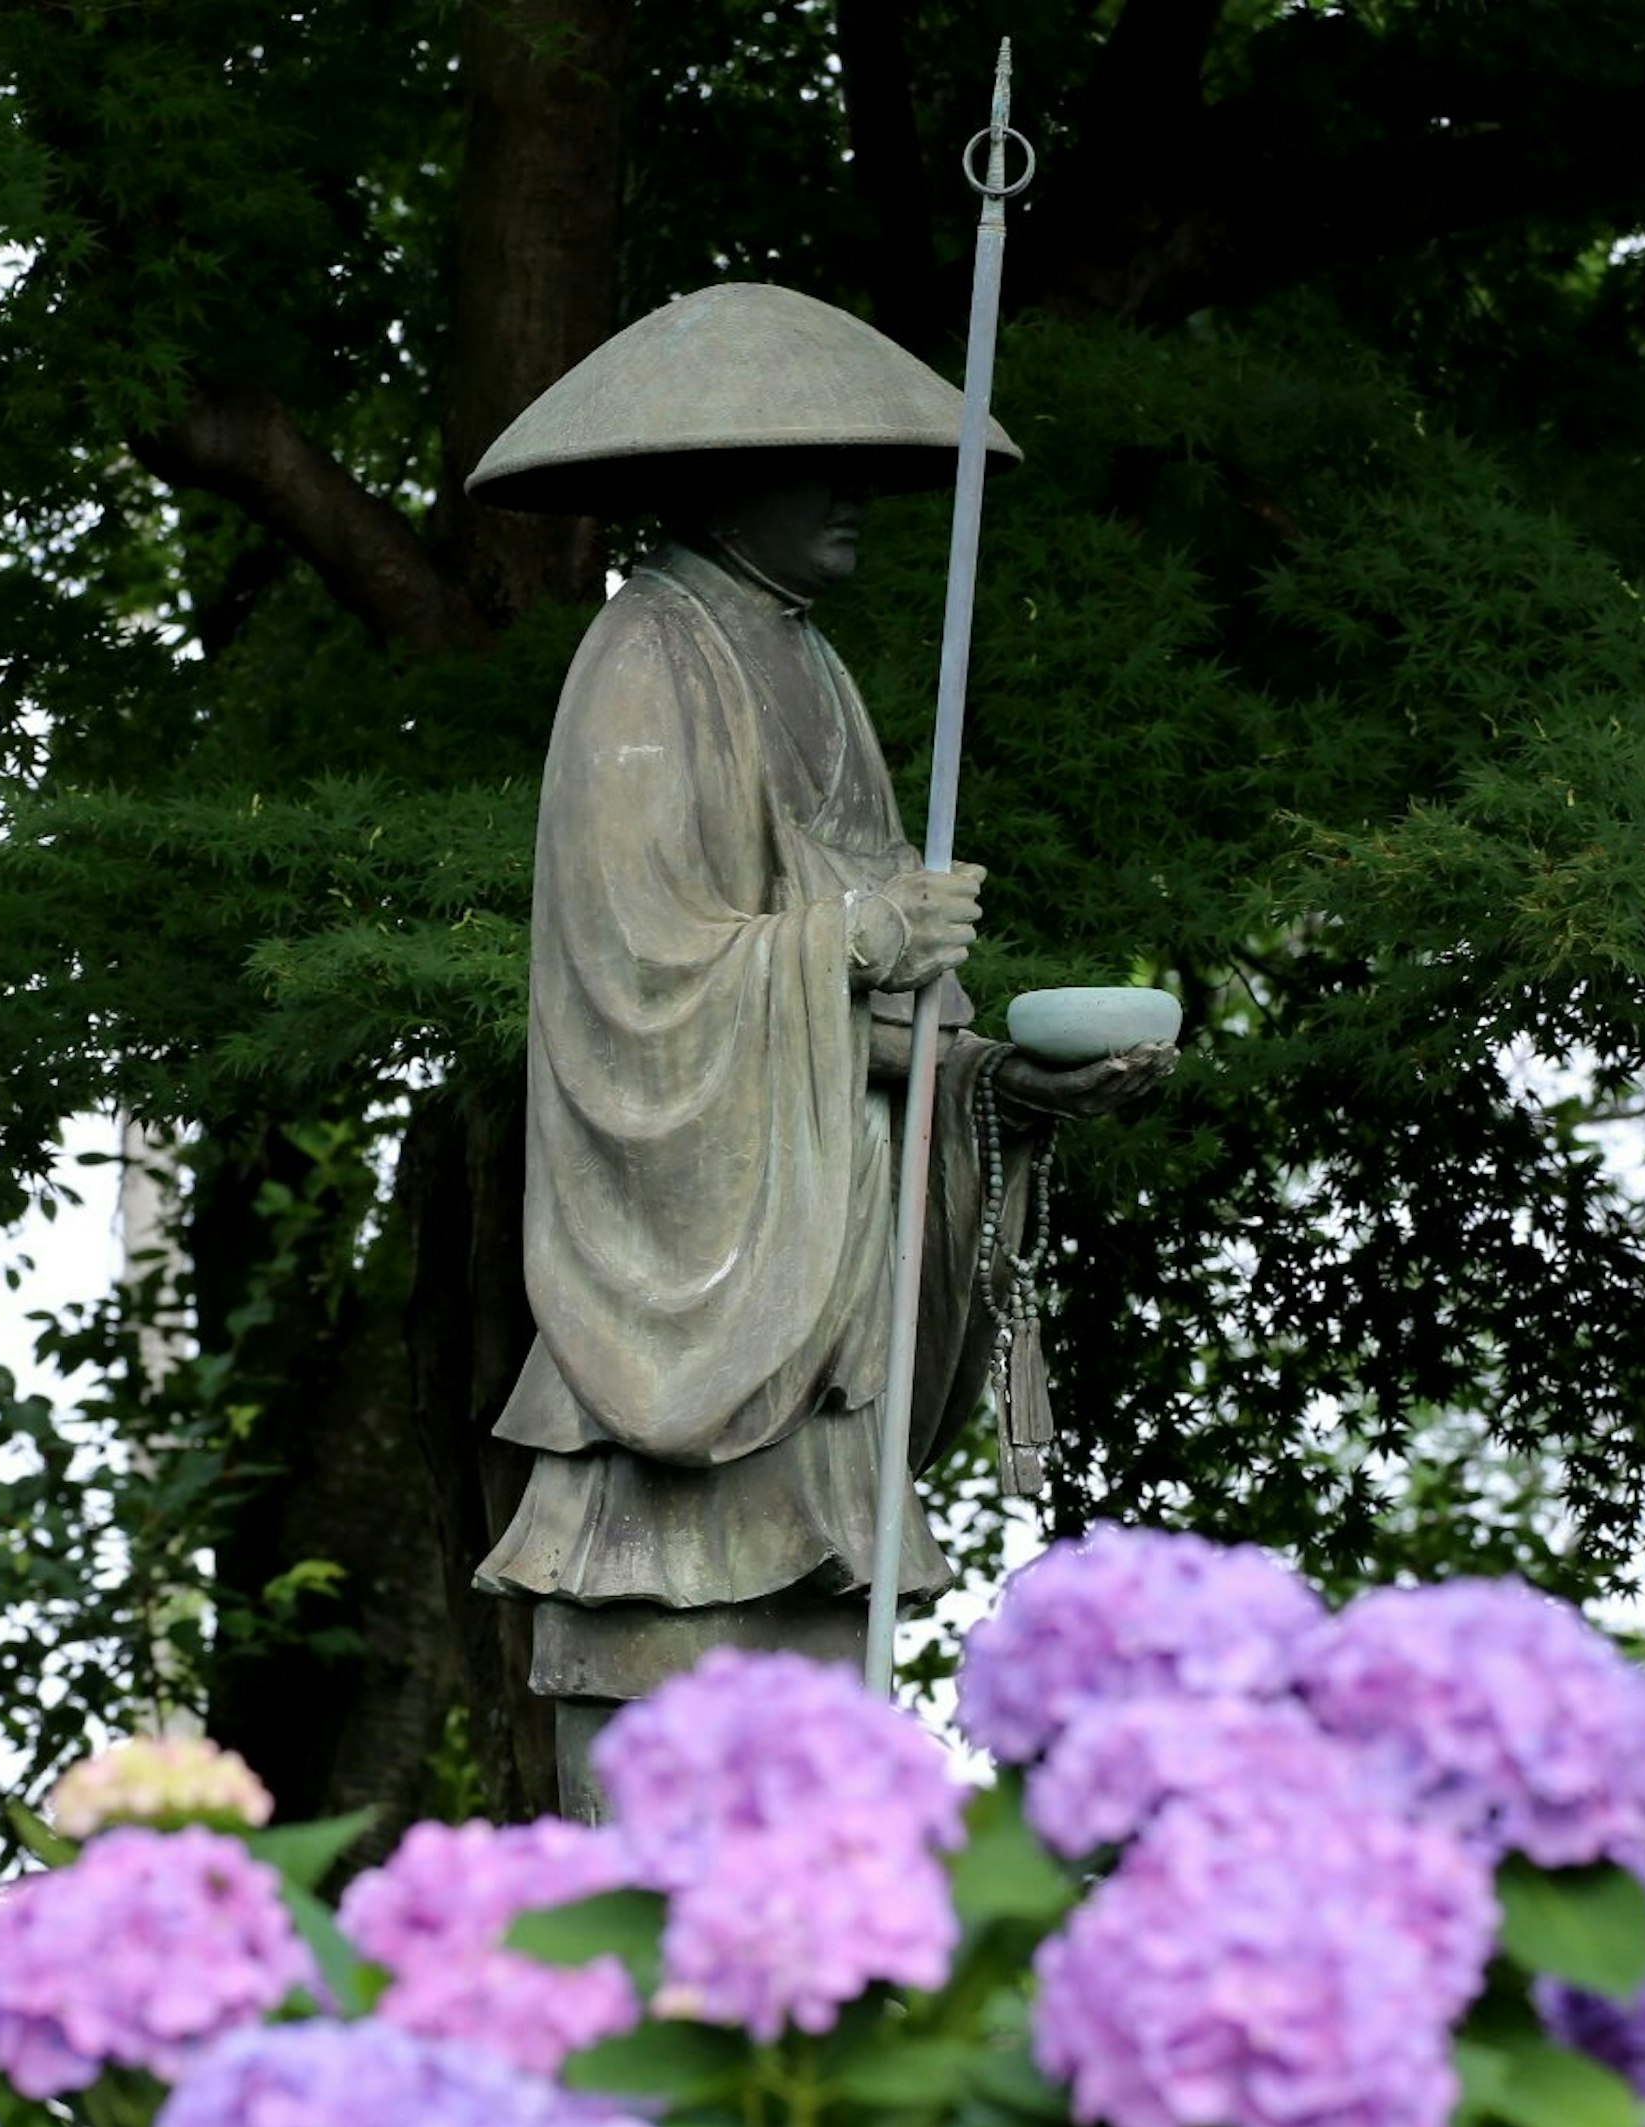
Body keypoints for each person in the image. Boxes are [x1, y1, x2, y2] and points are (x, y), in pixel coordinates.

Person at [461, 283, 1171, 1810]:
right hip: (704, 1272)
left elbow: (875, 1023)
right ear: (723, 476)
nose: (854, 496)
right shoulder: (648, 657)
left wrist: (995, 1083)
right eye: (816, 463)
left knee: (817, 1721)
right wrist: (854, 940)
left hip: (823, 1272)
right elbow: (635, 973)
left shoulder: (818, 670)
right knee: (667, 1705)